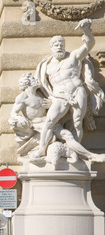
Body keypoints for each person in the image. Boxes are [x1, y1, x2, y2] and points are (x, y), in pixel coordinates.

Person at [34, 18, 104, 158]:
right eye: (55, 44)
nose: (59, 46)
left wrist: (86, 30)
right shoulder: (46, 66)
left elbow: (89, 44)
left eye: (61, 43)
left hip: (78, 91)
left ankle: (73, 152)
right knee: (49, 121)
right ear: (51, 47)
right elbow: (42, 85)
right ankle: (42, 149)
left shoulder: (73, 57)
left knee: (77, 123)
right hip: (60, 96)